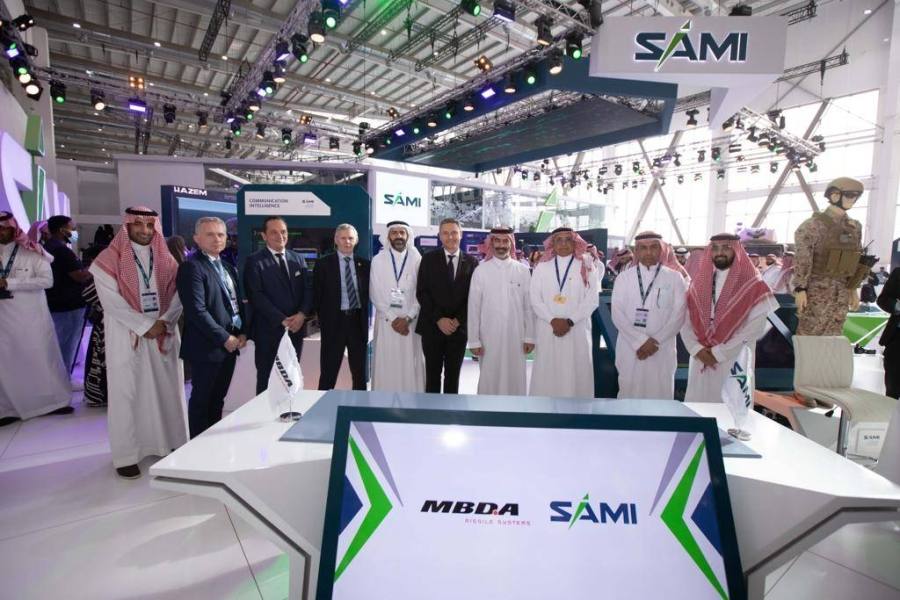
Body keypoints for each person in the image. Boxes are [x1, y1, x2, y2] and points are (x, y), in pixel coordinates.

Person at [90, 207, 186, 478]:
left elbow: (179, 294)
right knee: (128, 393)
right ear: (127, 226)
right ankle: (127, 455)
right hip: (127, 334)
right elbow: (111, 302)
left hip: (163, 332)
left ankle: (170, 443)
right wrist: (145, 325)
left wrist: (164, 321)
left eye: (149, 225)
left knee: (167, 389)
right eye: (138, 225)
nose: (145, 230)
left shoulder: (166, 258)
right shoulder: (108, 259)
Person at [680, 234, 778, 403]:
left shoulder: (754, 285)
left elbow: (754, 329)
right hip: (701, 358)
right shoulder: (699, 283)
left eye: (726, 248)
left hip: (733, 360)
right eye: (715, 248)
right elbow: (685, 321)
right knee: (699, 408)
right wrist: (696, 349)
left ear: (737, 251)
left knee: (731, 408)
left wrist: (719, 352)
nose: (720, 253)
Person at [0, 212, 72, 427]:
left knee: (41, 358)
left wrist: (10, 283)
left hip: (32, 320)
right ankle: (8, 409)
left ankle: (54, 403)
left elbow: (47, 281)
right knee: (7, 363)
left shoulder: (33, 252)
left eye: (5, 227)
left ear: (14, 229)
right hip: (4, 322)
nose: (1, 232)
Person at [177, 217, 247, 438]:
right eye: (210, 234)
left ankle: (212, 443)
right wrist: (225, 338)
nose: (216, 239)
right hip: (207, 347)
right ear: (197, 239)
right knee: (202, 401)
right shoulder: (191, 267)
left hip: (229, 345)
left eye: (220, 234)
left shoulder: (227, 267)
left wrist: (242, 332)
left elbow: (235, 303)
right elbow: (196, 311)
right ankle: (197, 446)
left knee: (218, 399)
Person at [611, 232, 687, 400]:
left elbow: (679, 314)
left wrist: (655, 342)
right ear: (636, 251)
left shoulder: (675, 278)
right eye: (643, 248)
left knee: (660, 393)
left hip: (661, 348)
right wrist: (640, 341)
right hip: (631, 348)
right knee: (629, 393)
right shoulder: (623, 278)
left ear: (662, 250)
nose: (648, 252)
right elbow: (617, 314)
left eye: (653, 247)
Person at [244, 216, 314, 395]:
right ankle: (263, 412)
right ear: (264, 236)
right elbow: (256, 296)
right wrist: (282, 320)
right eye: (274, 232)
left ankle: (290, 409)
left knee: (291, 376)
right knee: (267, 378)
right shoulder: (254, 261)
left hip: (295, 330)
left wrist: (301, 315)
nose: (280, 236)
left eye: (283, 232)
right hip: (268, 331)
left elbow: (307, 289)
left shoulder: (297, 259)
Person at [793, 177, 870, 336]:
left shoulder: (854, 227)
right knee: (810, 335)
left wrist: (853, 289)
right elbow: (803, 259)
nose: (853, 200)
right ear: (834, 195)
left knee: (834, 335)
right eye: (849, 195)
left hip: (842, 292)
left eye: (856, 196)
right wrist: (800, 288)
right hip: (816, 290)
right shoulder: (812, 225)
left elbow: (855, 258)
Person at [529, 227, 599, 398]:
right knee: (547, 373)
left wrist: (569, 321)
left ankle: (576, 412)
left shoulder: (586, 265)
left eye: (568, 239)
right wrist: (552, 320)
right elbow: (535, 299)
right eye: (558, 240)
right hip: (548, 329)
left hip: (577, 330)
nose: (563, 244)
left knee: (576, 373)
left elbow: (592, 299)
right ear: (552, 244)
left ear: (574, 242)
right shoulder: (542, 266)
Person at [467, 228, 535, 395]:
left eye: (505, 241)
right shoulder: (481, 271)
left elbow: (529, 307)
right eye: (497, 241)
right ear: (491, 243)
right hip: (489, 337)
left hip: (516, 336)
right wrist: (474, 340)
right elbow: (474, 308)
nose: (501, 245)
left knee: (515, 377)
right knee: (490, 376)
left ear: (511, 244)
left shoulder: (523, 271)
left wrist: (530, 337)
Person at [416, 218, 478, 393]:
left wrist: (457, 320)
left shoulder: (472, 262)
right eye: (445, 233)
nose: (450, 237)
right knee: (432, 376)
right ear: (439, 236)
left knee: (453, 376)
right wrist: (439, 319)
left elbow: (473, 297)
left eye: (454, 232)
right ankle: (431, 409)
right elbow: (422, 292)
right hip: (432, 327)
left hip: (458, 330)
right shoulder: (428, 259)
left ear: (461, 234)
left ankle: (451, 410)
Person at [313, 224, 370, 390]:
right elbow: (316, 295)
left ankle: (360, 404)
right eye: (343, 238)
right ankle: (323, 404)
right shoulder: (323, 264)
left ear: (356, 241)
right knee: (328, 372)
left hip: (357, 323)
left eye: (351, 238)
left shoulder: (365, 265)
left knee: (359, 374)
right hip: (333, 324)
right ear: (336, 240)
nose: (347, 242)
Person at [369, 221, 424, 392]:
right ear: (388, 236)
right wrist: (393, 319)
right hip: (387, 322)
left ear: (408, 236)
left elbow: (422, 291)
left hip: (411, 322)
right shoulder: (378, 260)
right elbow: (375, 293)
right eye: (394, 233)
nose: (398, 236)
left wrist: (408, 318)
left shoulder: (417, 259)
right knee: (387, 361)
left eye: (402, 232)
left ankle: (411, 401)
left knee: (410, 362)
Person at [45, 215, 92, 377]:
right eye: (72, 228)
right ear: (62, 230)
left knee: (59, 344)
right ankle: (64, 380)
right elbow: (79, 276)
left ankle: (58, 379)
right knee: (67, 345)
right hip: (69, 305)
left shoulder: (48, 247)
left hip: (55, 303)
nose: (75, 232)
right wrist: (95, 267)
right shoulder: (62, 251)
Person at [877, 267, 900, 398]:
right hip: (897, 340)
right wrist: (897, 306)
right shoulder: (898, 273)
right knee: (893, 389)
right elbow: (883, 299)